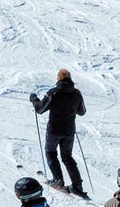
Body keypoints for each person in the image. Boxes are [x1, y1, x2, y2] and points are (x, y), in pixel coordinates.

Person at [31, 69, 87, 197]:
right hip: (69, 131)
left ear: (59, 78)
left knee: (51, 153)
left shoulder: (54, 92)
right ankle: (77, 185)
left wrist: (34, 99)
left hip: (54, 130)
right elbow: (82, 111)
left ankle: (58, 180)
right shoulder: (77, 93)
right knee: (67, 157)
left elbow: (40, 109)